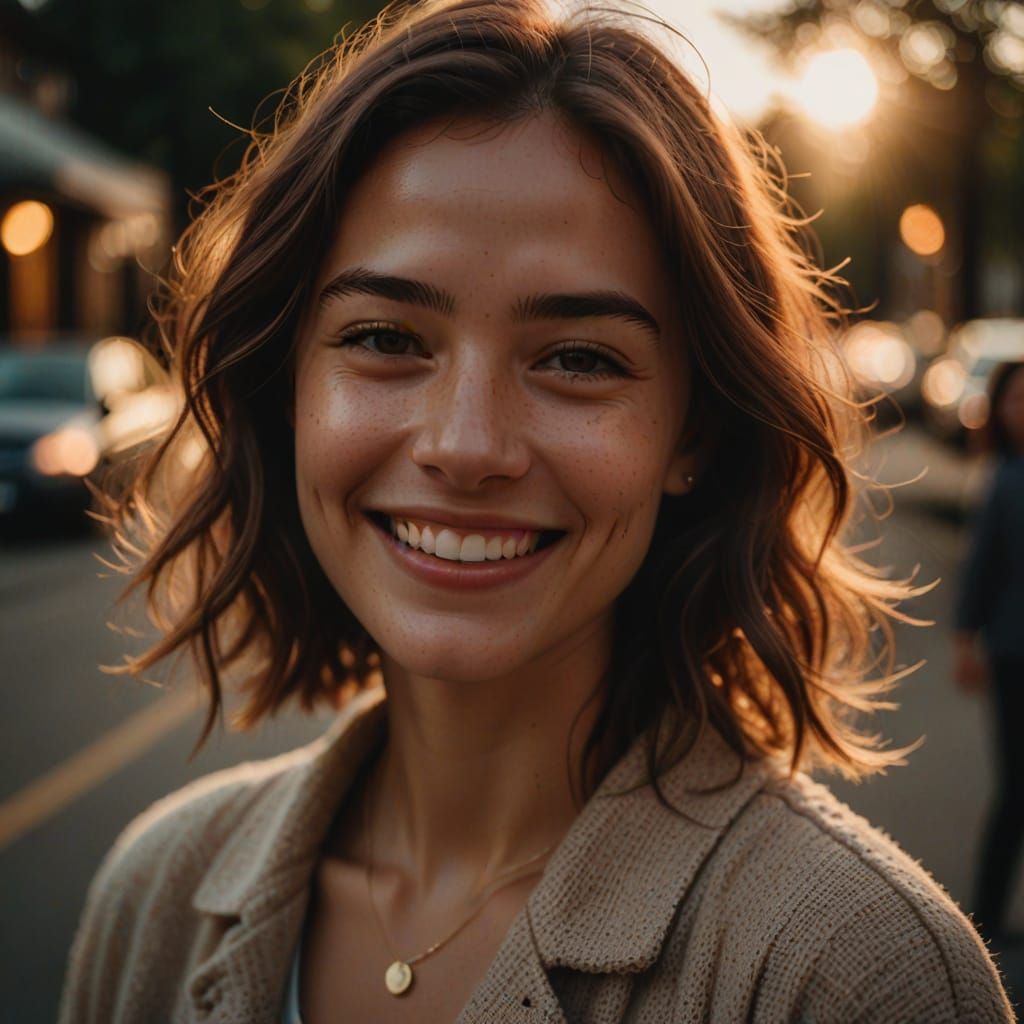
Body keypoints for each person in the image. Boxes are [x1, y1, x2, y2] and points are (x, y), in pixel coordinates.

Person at [59, 1, 1013, 1021]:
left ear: (693, 433)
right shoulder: (151, 900)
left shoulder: (858, 975)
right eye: (385, 339)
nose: (467, 445)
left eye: (579, 359)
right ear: (286, 386)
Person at [955, 358, 1024, 946]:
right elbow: (979, 570)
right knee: (1017, 789)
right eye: (1017, 400)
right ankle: (987, 921)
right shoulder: (1003, 480)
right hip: (1013, 654)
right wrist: (965, 641)